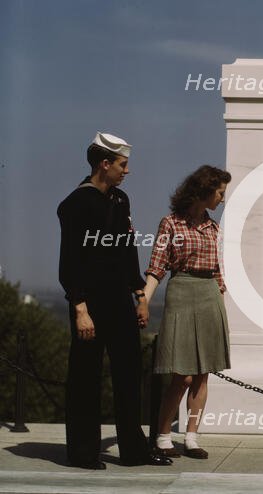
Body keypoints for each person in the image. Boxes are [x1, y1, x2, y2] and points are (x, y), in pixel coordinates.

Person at [57, 132, 172, 469]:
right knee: (85, 378)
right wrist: (80, 310)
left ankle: (134, 451)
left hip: (120, 302)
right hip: (89, 305)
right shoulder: (75, 204)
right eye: (122, 165)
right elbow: (70, 262)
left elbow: (127, 254)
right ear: (104, 164)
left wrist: (140, 296)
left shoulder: (120, 201)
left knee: (128, 375)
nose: (126, 171)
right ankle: (82, 452)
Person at [143, 165, 231, 459]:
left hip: (209, 295)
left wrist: (218, 302)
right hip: (181, 291)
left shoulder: (215, 229)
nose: (222, 198)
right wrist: (143, 300)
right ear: (205, 190)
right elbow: (157, 267)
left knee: (202, 373)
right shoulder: (170, 224)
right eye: (219, 192)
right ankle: (163, 434)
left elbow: (220, 273)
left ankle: (192, 436)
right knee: (181, 375)